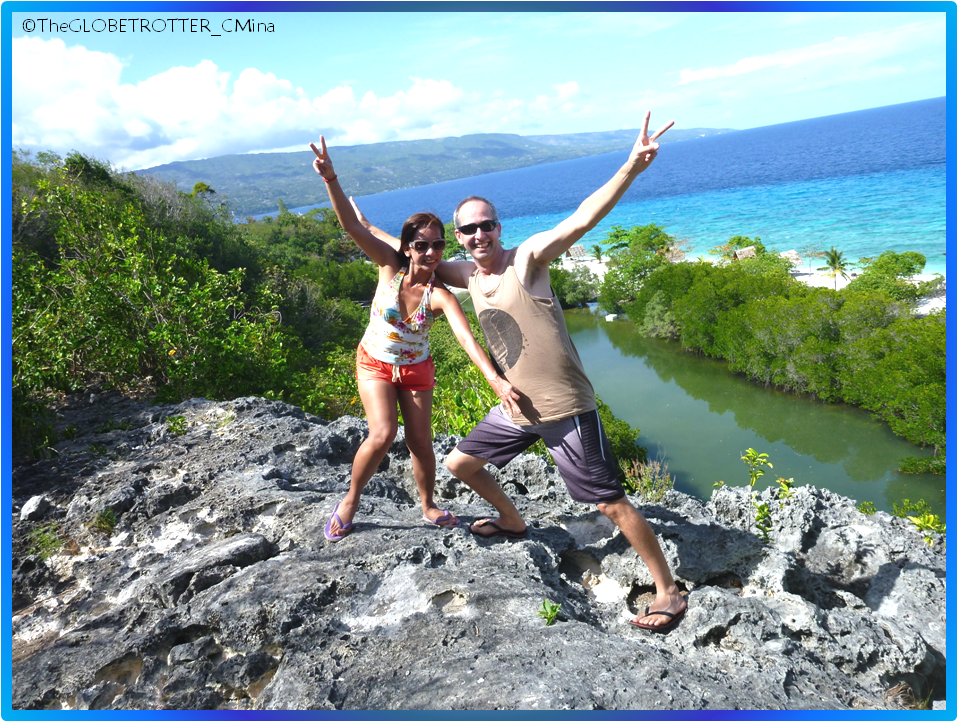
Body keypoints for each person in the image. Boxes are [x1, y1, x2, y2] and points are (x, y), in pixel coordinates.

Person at [350, 112, 687, 631]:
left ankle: (668, 589)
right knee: (461, 464)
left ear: (499, 229)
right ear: (458, 238)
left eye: (487, 224)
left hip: (565, 408)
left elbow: (580, 220)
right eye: (469, 229)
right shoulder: (461, 273)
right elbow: (403, 250)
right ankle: (511, 519)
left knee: (609, 504)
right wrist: (350, 207)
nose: (479, 233)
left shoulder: (525, 260)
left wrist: (631, 167)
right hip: (518, 407)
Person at [309, 136, 521, 543]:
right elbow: (352, 226)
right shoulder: (388, 268)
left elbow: (465, 337)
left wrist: (494, 378)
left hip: (416, 369)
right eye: (421, 245)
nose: (430, 252)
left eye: (438, 244)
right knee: (383, 433)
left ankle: (427, 505)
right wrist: (331, 179)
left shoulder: (439, 295)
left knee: (421, 442)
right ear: (407, 248)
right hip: (375, 361)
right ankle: (350, 501)